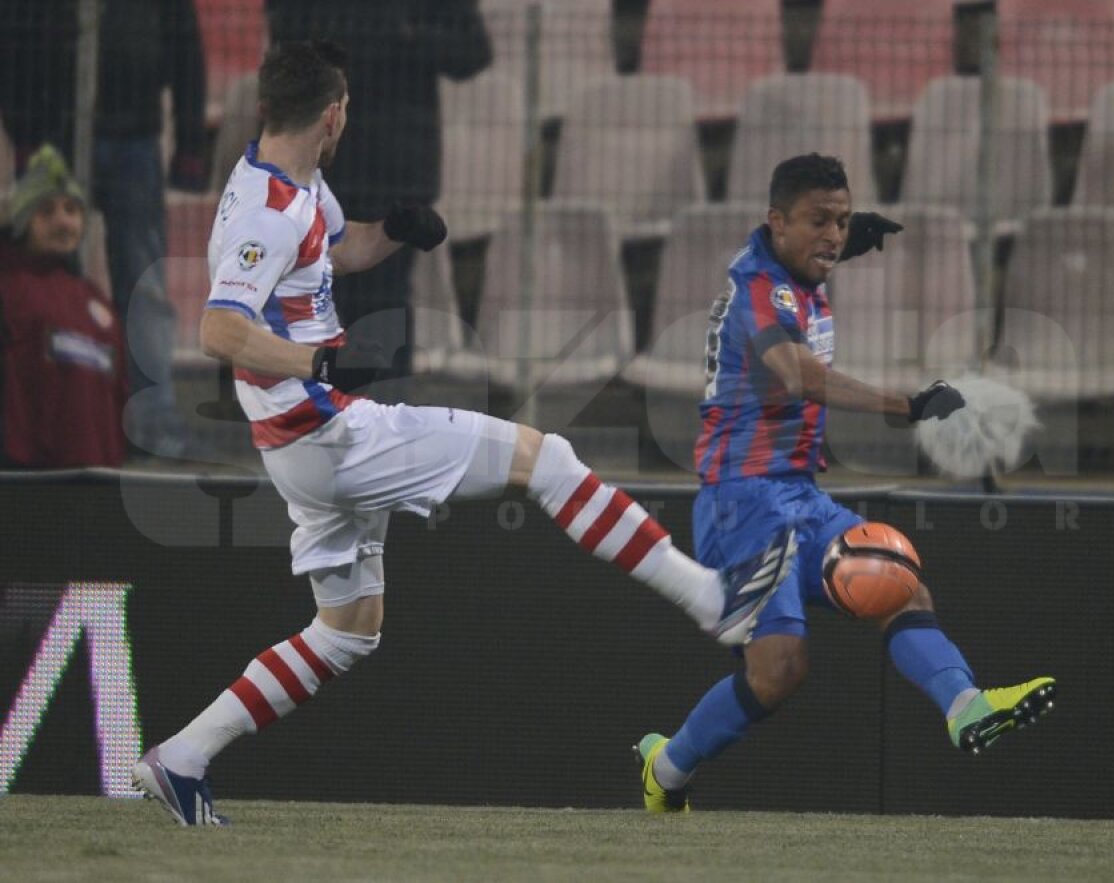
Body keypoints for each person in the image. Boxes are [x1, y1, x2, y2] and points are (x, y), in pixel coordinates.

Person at [131, 41, 794, 826]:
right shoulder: (265, 209)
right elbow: (218, 327)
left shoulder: (294, 182)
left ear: (270, 108)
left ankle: (182, 757)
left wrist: (395, 233)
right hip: (328, 435)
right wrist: (320, 360)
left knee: (348, 630)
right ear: (335, 112)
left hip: (296, 447)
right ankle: (711, 598)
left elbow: (332, 254)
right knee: (547, 458)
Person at [634, 153, 1058, 813]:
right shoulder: (757, 290)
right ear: (776, 221)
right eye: (818, 221)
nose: (833, 234)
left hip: (798, 493)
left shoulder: (795, 270)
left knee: (900, 581)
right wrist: (906, 406)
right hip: (739, 503)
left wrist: (841, 245)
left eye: (842, 219)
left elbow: (803, 271)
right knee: (778, 671)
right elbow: (797, 373)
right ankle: (666, 769)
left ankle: (966, 705)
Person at [0, 0, 210, 459]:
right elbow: (11, 36)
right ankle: (56, 416)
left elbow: (185, 46)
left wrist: (191, 140)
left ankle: (150, 425)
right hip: (54, 134)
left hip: (132, 136)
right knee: (46, 291)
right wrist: (26, 132)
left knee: (144, 289)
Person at [266, 0, 492, 387]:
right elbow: (285, 33)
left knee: (384, 300)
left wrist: (403, 36)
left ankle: (385, 422)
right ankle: (331, 423)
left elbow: (471, 52)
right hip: (327, 157)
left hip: (395, 165)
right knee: (320, 297)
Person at [0, 144, 125, 468]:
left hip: (96, 479)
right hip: (25, 480)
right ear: (24, 221)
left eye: (71, 210)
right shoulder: (8, 289)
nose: (63, 221)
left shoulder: (96, 300)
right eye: (47, 211)